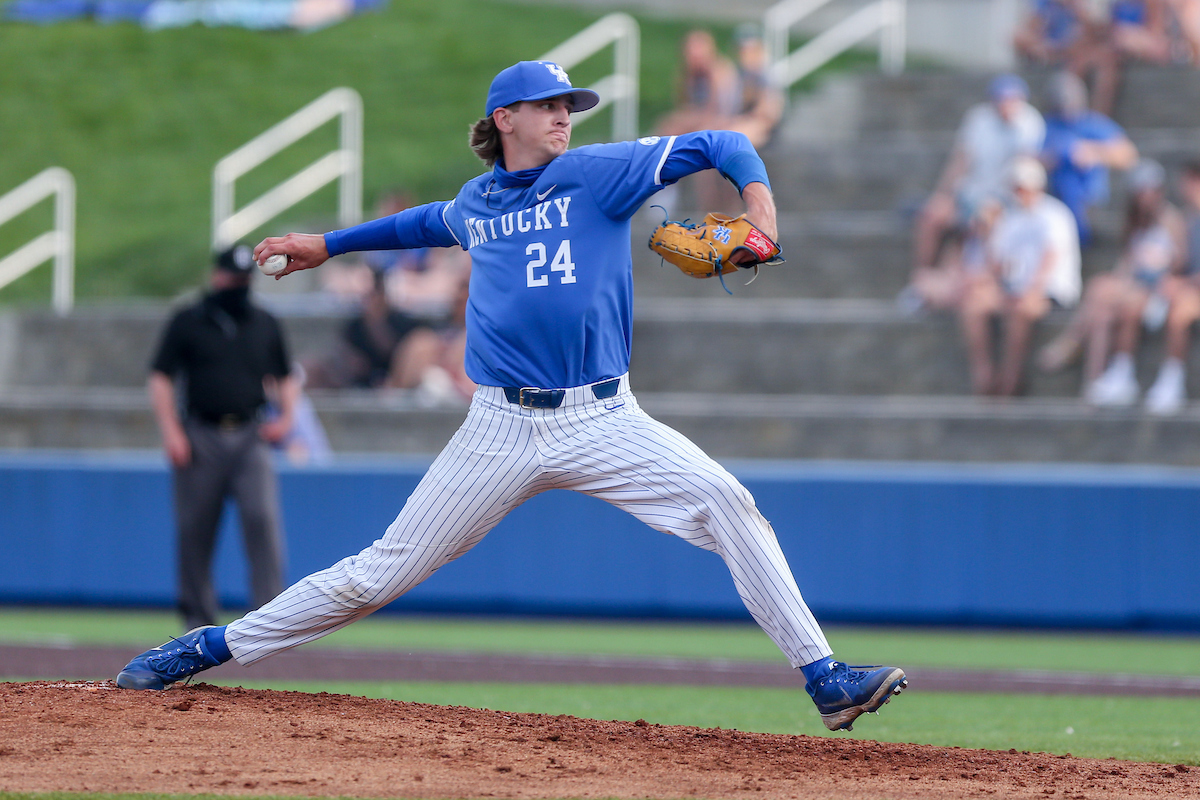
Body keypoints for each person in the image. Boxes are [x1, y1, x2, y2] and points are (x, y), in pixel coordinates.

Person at [115, 59, 907, 733]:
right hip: (498, 426)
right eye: (551, 105)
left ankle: (824, 677)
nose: (566, 115)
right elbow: (421, 225)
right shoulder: (476, 203)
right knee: (374, 577)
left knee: (729, 504)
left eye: (570, 105)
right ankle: (210, 648)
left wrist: (757, 209)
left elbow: (726, 142)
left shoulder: (597, 171)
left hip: (605, 418)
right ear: (507, 118)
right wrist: (330, 244)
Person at [146, 244, 298, 631]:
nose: (239, 285)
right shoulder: (188, 319)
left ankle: (271, 618)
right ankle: (196, 619)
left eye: (245, 278)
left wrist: (288, 417)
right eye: (234, 277)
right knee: (195, 528)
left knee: (262, 521)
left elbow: (284, 374)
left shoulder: (264, 321)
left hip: (251, 433)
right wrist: (171, 431)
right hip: (201, 434)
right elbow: (161, 376)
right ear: (217, 276)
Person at [1038, 159, 1187, 403]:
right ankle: (1094, 382)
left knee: (1098, 288)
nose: (1145, 196)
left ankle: (1071, 342)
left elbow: (1179, 261)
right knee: (1101, 316)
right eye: (1140, 190)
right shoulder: (1136, 223)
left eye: (1149, 189)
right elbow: (1127, 264)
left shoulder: (1171, 220)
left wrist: (1155, 266)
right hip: (1133, 285)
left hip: (1155, 289)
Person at [906, 74, 1045, 309]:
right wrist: (943, 194)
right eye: (1002, 100)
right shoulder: (978, 119)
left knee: (977, 228)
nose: (1006, 105)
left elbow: (1024, 173)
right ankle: (919, 280)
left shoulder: (1030, 124)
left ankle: (948, 287)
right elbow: (960, 161)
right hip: (969, 196)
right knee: (932, 215)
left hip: (1002, 201)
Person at [960, 156, 1081, 395]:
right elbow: (998, 265)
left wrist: (1032, 288)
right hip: (1015, 288)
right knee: (974, 304)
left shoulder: (1054, 214)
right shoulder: (1010, 219)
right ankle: (983, 376)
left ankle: (1011, 380)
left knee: (1021, 310)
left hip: (1049, 291)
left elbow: (1051, 258)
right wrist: (987, 231)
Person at [1040, 70, 1139, 246]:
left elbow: (1129, 155)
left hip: (1090, 202)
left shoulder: (1093, 123)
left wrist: (1093, 152)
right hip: (1057, 199)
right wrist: (1055, 157)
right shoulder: (1048, 125)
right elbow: (1031, 157)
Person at [1145, 159, 1200, 412]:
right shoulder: (1186, 219)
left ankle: (1172, 378)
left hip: (1191, 292)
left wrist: (1182, 283)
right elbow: (1181, 262)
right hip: (1187, 289)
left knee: (1180, 306)